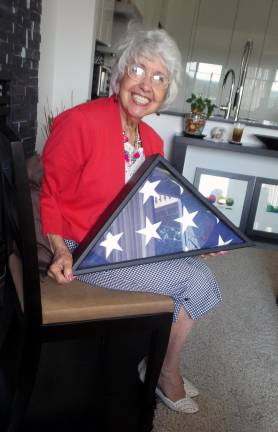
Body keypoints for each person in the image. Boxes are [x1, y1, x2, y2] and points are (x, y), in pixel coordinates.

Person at [40, 29, 222, 414]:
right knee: (195, 280)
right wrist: (59, 250)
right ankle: (164, 372)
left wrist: (194, 239)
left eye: (159, 78)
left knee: (194, 269)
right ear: (120, 74)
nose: (145, 85)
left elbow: (156, 210)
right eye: (138, 70)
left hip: (128, 244)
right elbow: (51, 194)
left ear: (165, 94)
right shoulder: (79, 123)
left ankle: (154, 361)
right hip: (86, 250)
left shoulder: (153, 143)